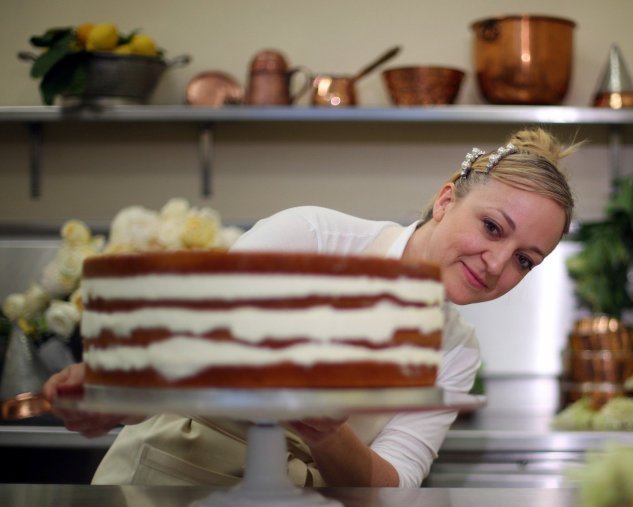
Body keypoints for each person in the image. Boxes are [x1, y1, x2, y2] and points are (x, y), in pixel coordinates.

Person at [43, 127, 578, 488]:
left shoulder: (456, 350)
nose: (496, 263)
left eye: (525, 260)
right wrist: (110, 391)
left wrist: (327, 434)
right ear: (445, 200)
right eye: (492, 228)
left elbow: (394, 481)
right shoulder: (312, 235)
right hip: (161, 489)